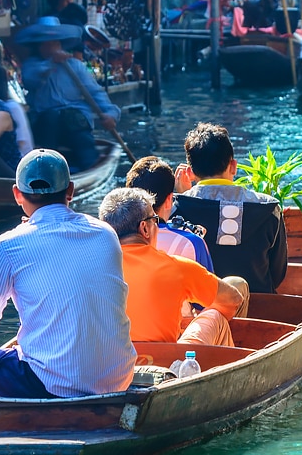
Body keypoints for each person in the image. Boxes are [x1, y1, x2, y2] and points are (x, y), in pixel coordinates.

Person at [0, 149, 136, 399]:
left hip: (54, 384)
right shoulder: (105, 233)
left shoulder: (7, 246)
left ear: (17, 194)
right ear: (70, 190)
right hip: (118, 378)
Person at [101, 187, 249, 346]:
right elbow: (233, 300)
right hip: (166, 363)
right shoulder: (177, 267)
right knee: (220, 309)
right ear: (145, 228)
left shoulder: (91, 270)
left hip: (110, 364)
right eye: (155, 220)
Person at [173, 124, 289, 293]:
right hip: (260, 305)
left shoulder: (177, 208)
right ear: (233, 166)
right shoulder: (268, 208)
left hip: (201, 310)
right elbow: (278, 273)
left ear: (190, 172)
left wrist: (184, 196)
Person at [17, 16, 120, 170]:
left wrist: (110, 113)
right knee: (52, 117)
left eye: (55, 42)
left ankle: (89, 164)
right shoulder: (31, 66)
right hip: (46, 126)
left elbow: (95, 93)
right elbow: (31, 80)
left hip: (75, 125)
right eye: (47, 43)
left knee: (75, 121)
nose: (53, 46)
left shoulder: (75, 66)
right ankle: (45, 167)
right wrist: (51, 63)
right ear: (39, 46)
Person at [125, 157, 212, 270]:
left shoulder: (115, 241)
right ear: (169, 200)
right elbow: (209, 286)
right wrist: (184, 195)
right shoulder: (192, 242)